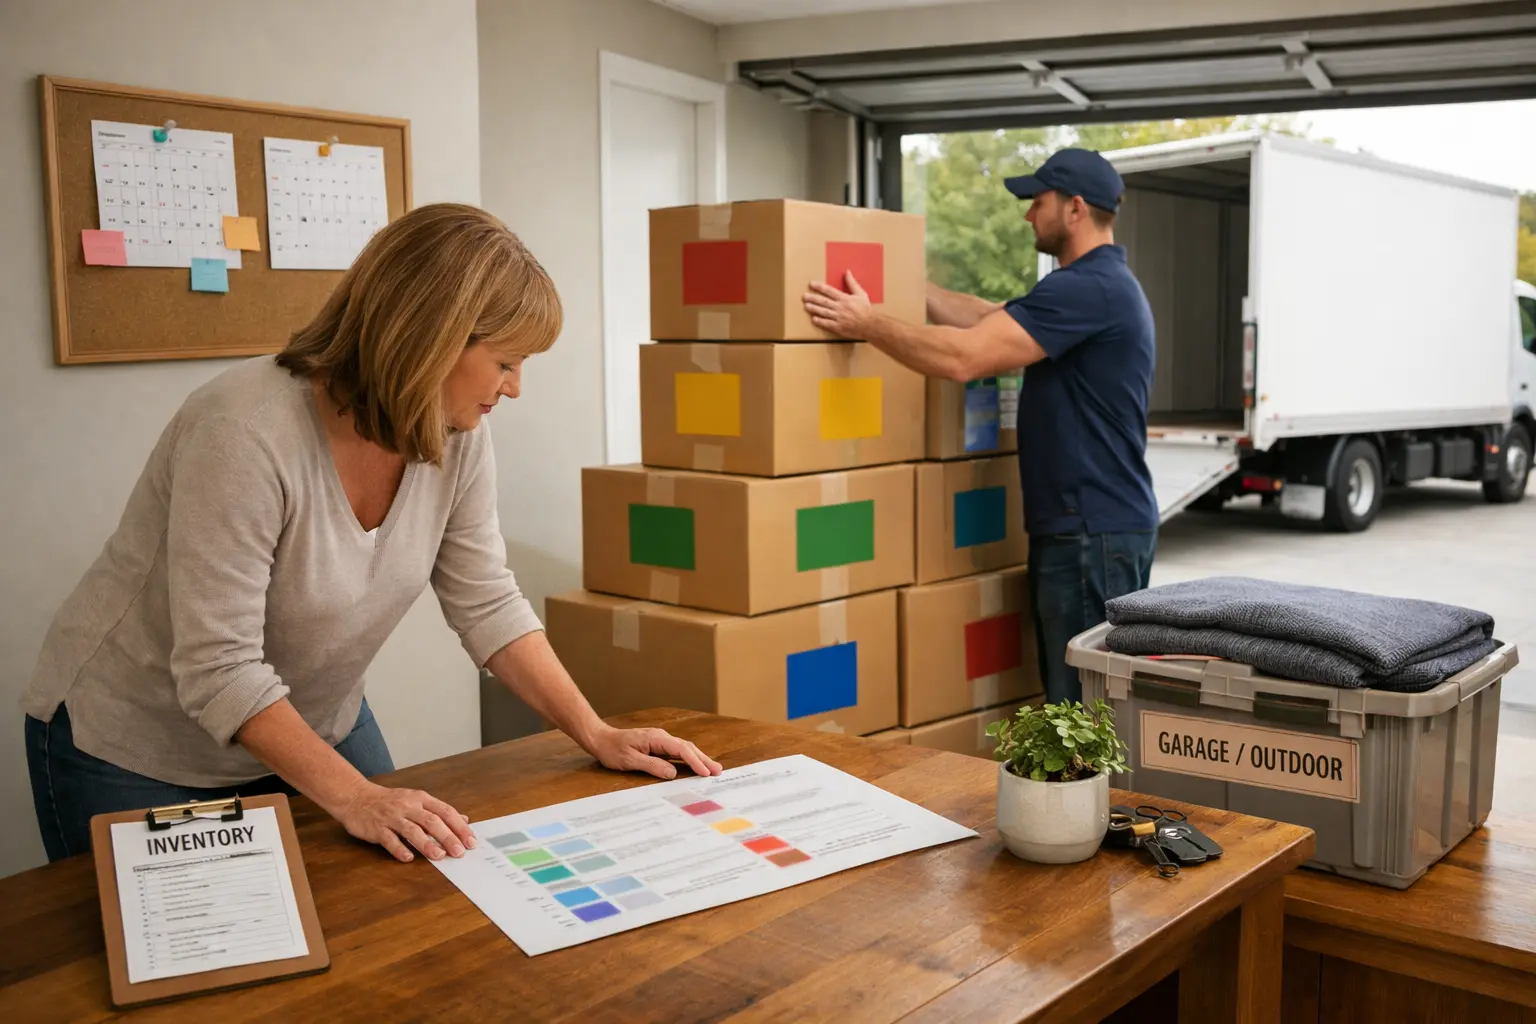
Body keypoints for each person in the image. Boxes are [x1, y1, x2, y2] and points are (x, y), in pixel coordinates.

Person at [23, 203, 722, 864]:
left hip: (313, 717)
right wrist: (356, 797)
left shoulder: (457, 434)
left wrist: (595, 732)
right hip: (136, 744)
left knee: (406, 894)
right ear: (435, 339)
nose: (513, 389)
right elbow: (219, 669)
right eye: (507, 362)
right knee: (198, 976)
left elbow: (487, 603)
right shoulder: (242, 432)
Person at [803, 148, 1158, 705]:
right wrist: (906, 286)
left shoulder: (1089, 289)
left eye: (1037, 201)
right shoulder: (1093, 286)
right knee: (1078, 703)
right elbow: (987, 316)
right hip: (1091, 527)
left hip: (1093, 532)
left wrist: (867, 322)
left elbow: (963, 358)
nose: (1027, 215)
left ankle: (1100, 799)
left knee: (1083, 711)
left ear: (1075, 209)